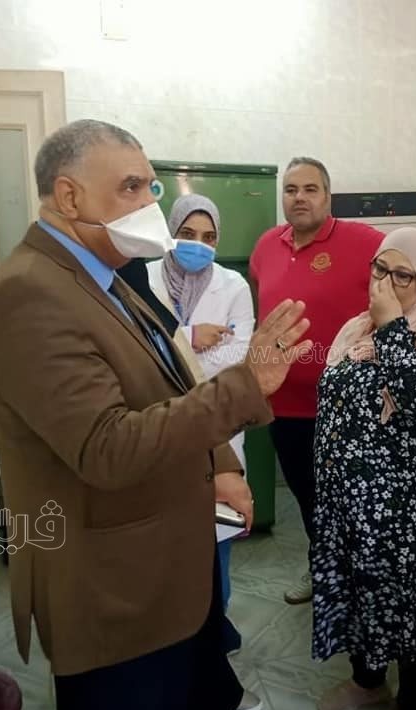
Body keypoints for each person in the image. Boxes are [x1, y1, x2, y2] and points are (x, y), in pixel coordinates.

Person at [0, 119, 313, 710]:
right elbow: (106, 447)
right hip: (112, 588)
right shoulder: (30, 293)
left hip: (164, 566)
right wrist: (248, 382)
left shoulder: (105, 276)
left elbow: (171, 375)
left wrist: (222, 461)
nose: (149, 205)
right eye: (130, 187)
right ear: (69, 195)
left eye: (151, 187)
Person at [311, 227, 416, 710]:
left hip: (409, 516)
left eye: (403, 275)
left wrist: (391, 328)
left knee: (413, 607)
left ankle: (414, 703)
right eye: (380, 269)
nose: (386, 283)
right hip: (352, 506)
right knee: (361, 595)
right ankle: (368, 683)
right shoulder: (355, 330)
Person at [249, 156, 384, 604]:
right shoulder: (266, 246)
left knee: (348, 500)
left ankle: (357, 583)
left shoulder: (365, 242)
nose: (299, 198)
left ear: (328, 196)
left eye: (310, 189)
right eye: (291, 190)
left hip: (346, 408)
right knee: (307, 498)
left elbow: (406, 285)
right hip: (284, 406)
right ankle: (322, 569)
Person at [145, 193, 255, 653]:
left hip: (217, 434)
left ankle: (214, 637)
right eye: (187, 234)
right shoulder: (142, 278)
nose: (199, 244)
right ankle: (170, 643)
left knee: (216, 544)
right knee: (161, 549)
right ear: (170, 233)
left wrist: (171, 358)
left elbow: (239, 356)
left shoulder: (234, 285)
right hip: (157, 431)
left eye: (209, 237)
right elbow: (137, 352)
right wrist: (191, 338)